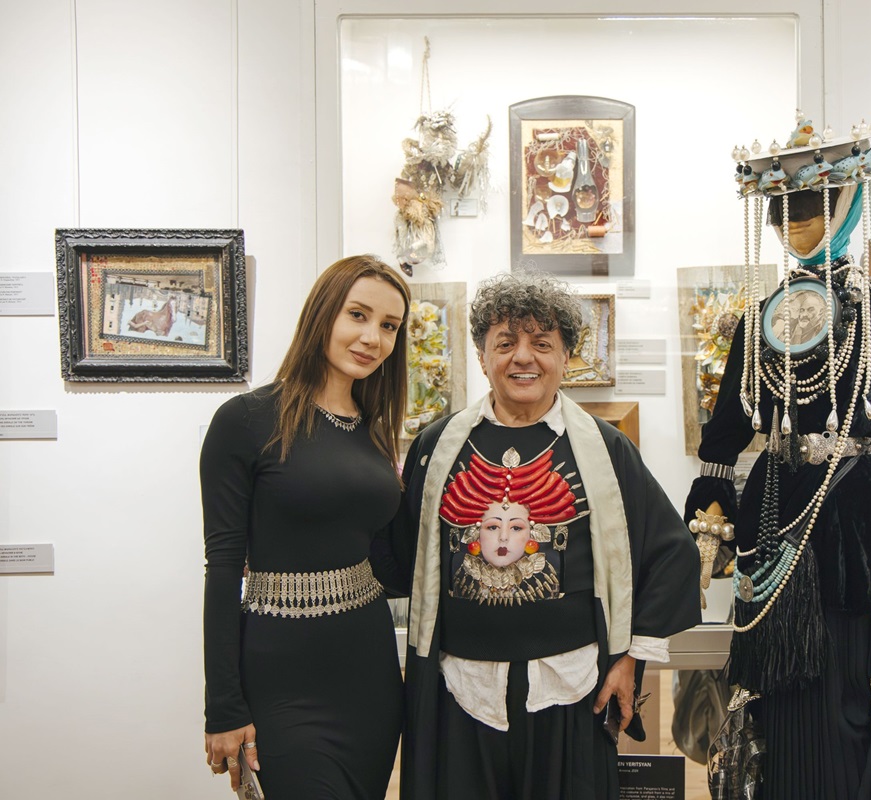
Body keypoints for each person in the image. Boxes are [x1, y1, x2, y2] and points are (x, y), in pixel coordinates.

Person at [688, 171, 871, 799]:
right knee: (777, 702)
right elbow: (726, 432)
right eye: (781, 207)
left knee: (866, 688)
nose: (793, 219)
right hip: (775, 518)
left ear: (847, 206)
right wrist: (710, 506)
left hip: (861, 520)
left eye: (811, 203)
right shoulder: (759, 319)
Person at [396, 271, 701, 799]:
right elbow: (401, 554)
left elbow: (672, 553)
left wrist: (630, 658)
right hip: (459, 691)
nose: (524, 358)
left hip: (571, 691)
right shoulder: (435, 447)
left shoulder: (606, 448)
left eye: (542, 343)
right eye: (505, 343)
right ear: (482, 355)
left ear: (566, 357)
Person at [200, 255, 411, 798]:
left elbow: (386, 557)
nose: (373, 338)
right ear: (322, 313)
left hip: (369, 672)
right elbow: (222, 568)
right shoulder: (245, 421)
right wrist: (222, 706)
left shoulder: (374, 431)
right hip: (282, 678)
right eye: (358, 315)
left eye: (389, 326)